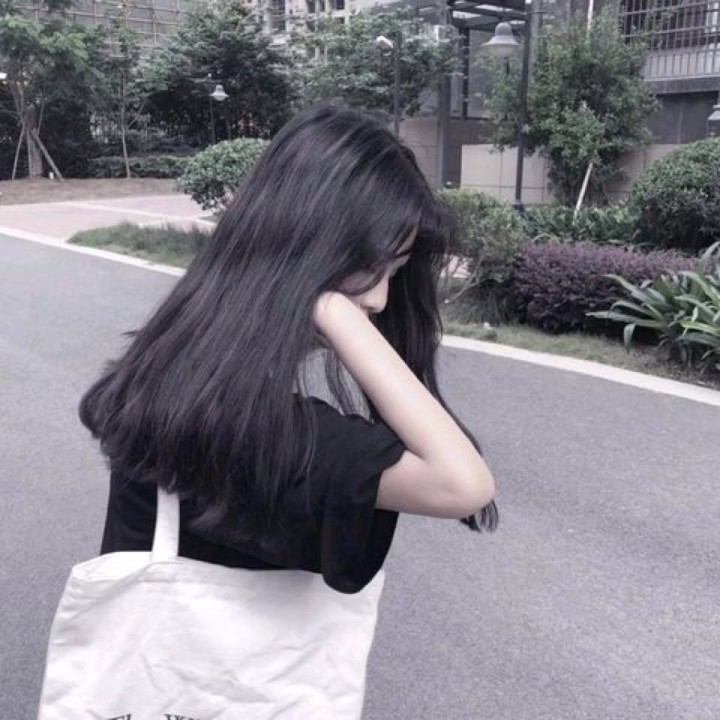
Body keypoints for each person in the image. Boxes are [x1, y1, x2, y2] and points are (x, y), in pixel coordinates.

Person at [78, 102, 497, 698]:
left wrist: (318, 289)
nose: (380, 299)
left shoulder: (165, 379)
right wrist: (333, 309)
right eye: (372, 267)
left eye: (396, 272)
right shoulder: (270, 432)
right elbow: (463, 483)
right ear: (310, 254)